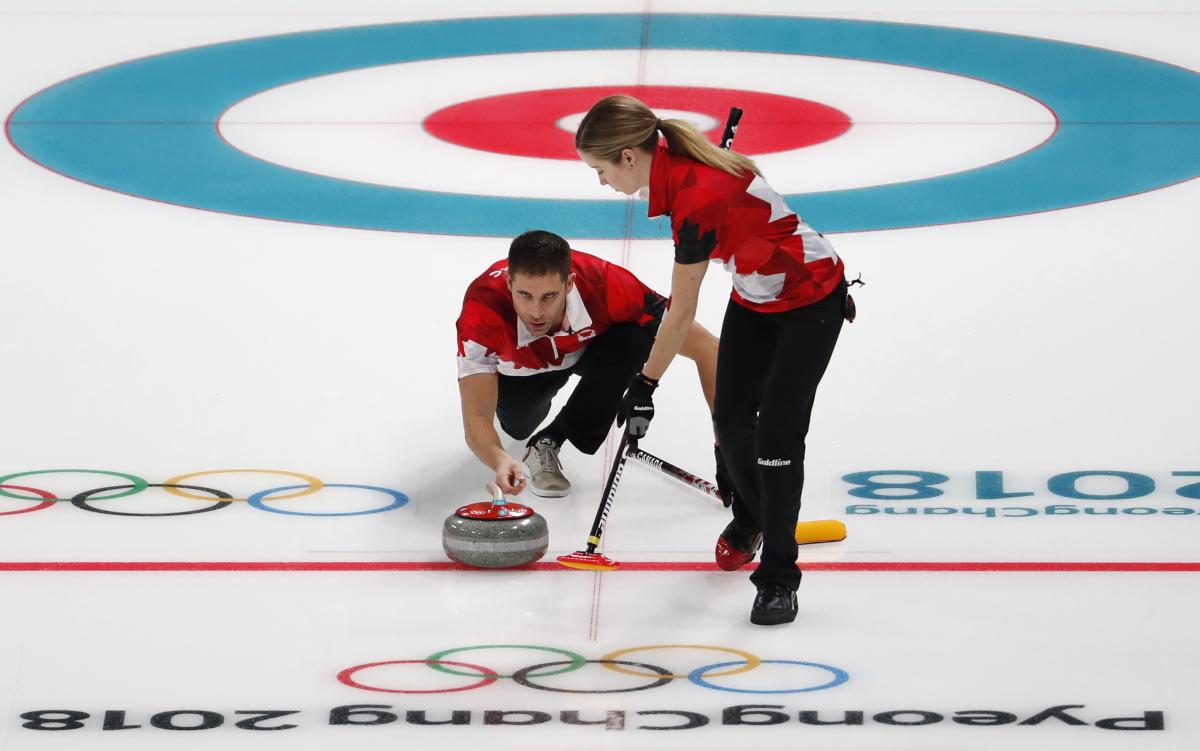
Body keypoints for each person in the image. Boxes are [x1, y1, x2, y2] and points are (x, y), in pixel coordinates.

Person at [575, 96, 849, 625]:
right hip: (756, 296)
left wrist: (645, 384)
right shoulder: (682, 180)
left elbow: (680, 313)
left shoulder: (697, 194)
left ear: (630, 157)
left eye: (601, 169)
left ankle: (777, 578)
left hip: (811, 299)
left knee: (777, 436)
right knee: (728, 416)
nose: (602, 182)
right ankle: (751, 519)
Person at [457, 229, 718, 499]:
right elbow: (475, 418)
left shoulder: (607, 285)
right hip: (523, 372)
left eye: (549, 296)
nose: (536, 312)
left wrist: (727, 446)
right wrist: (499, 458)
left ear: (569, 283)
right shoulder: (482, 309)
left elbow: (708, 348)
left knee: (635, 339)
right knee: (518, 426)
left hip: (588, 351)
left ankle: (552, 439)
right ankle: (532, 418)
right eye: (525, 295)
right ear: (509, 283)